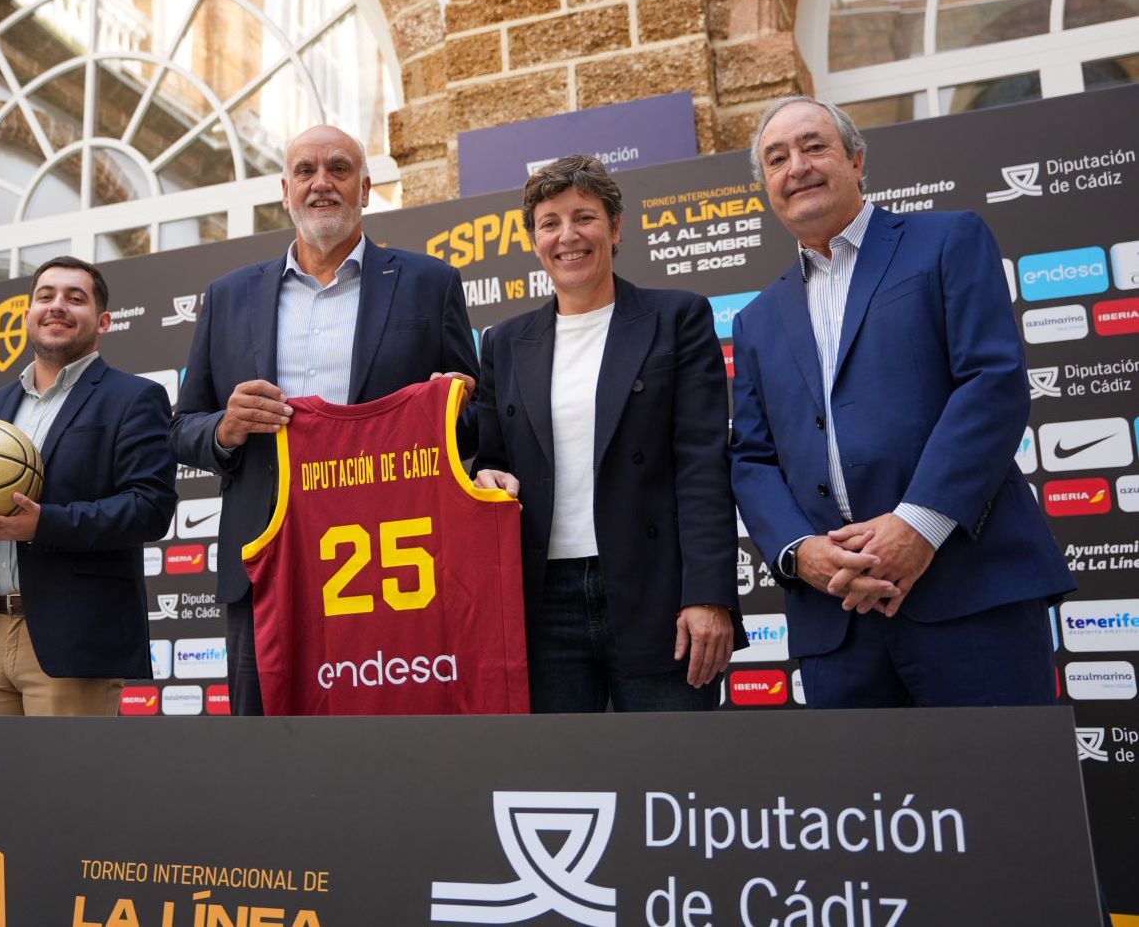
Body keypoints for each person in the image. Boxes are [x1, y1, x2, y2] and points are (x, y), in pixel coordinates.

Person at [730, 95, 1073, 707]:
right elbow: (752, 459)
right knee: (861, 777)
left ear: (856, 160)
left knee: (1000, 772)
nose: (797, 167)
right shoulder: (756, 320)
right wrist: (800, 553)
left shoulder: (946, 241)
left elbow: (991, 382)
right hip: (837, 617)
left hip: (968, 592)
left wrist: (917, 525)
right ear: (767, 188)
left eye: (814, 146)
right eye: (776, 159)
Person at [171, 124, 479, 715]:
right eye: (306, 171)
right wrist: (225, 429)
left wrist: (453, 408)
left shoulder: (429, 283)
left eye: (339, 169)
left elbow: (476, 418)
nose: (322, 183)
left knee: (389, 741)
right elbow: (183, 429)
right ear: (285, 191)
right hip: (265, 562)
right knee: (265, 747)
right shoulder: (228, 296)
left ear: (365, 189)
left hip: (391, 565)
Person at [472, 155, 743, 711]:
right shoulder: (503, 342)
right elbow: (490, 459)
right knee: (561, 766)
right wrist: (485, 474)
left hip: (658, 594)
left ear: (615, 228)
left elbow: (703, 466)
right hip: (541, 604)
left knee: (672, 761)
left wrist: (708, 595)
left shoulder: (678, 318)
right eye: (549, 223)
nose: (567, 236)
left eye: (584, 217)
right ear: (534, 241)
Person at [0, 256, 176, 715]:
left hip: (74, 636)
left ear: (103, 321)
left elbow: (149, 508)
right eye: (46, 296)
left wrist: (42, 524)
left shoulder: (134, 398)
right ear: (28, 315)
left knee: (66, 767)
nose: (57, 306)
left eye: (75, 298)